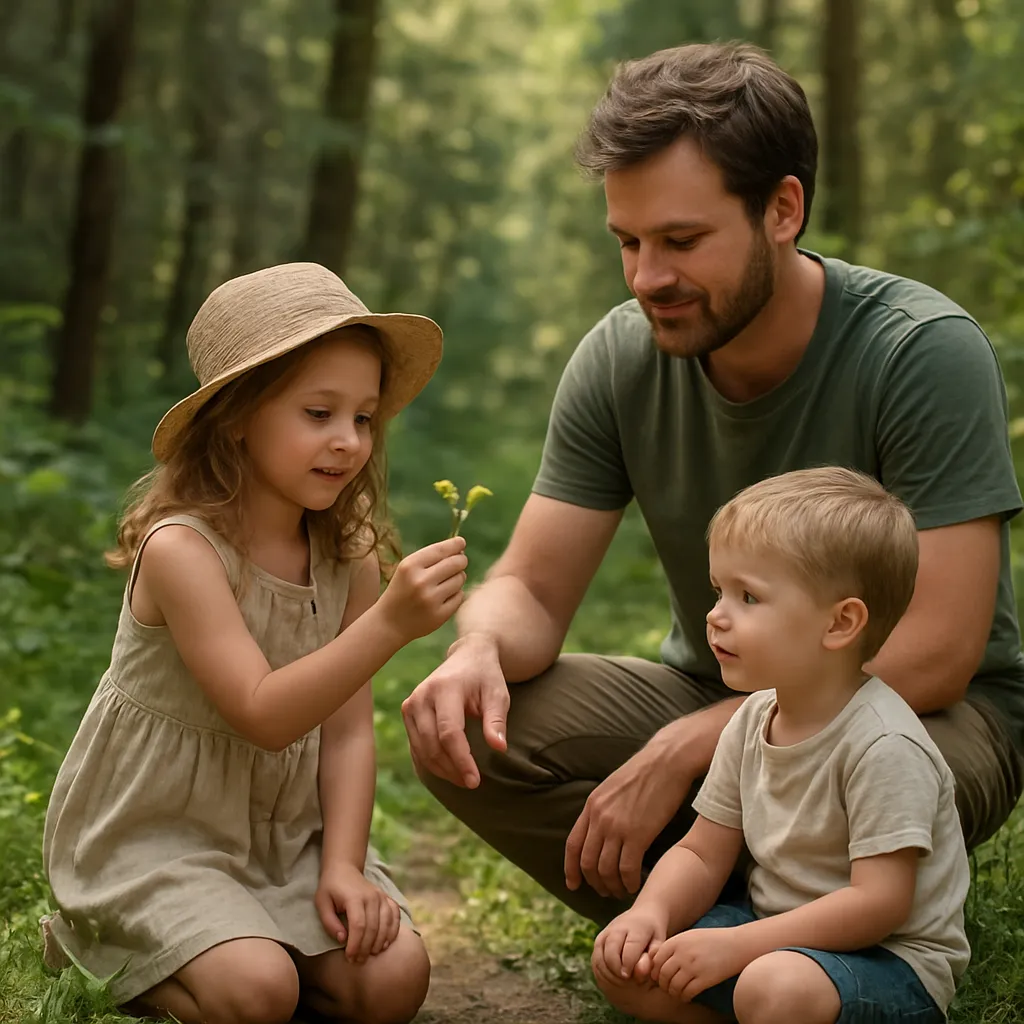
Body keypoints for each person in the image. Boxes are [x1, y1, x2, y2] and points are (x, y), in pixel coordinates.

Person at [401, 40, 1024, 927]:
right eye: (629, 242)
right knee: (469, 726)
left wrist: (696, 748)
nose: (649, 277)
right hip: (718, 686)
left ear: (783, 208)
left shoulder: (919, 351)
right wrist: (477, 651)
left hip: (921, 715)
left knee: (848, 769)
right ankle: (724, 929)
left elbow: (938, 648)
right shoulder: (620, 357)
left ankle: (765, 933)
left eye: (682, 241)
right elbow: (532, 588)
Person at [41, 263, 468, 1024]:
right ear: (237, 415)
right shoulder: (184, 552)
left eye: (363, 418)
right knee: (260, 991)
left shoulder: (349, 559)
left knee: (394, 981)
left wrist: (340, 867)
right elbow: (264, 715)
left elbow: (343, 734)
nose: (347, 441)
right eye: (318, 412)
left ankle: (256, 942)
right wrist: (391, 627)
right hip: (160, 839)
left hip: (284, 841)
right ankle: (95, 942)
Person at [591, 467, 970, 1024]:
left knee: (773, 987)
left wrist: (738, 948)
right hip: (771, 934)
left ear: (840, 623)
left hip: (886, 961)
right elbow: (701, 851)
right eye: (720, 591)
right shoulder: (752, 718)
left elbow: (878, 905)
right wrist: (650, 912)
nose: (716, 615)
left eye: (748, 596)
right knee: (629, 966)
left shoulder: (884, 744)